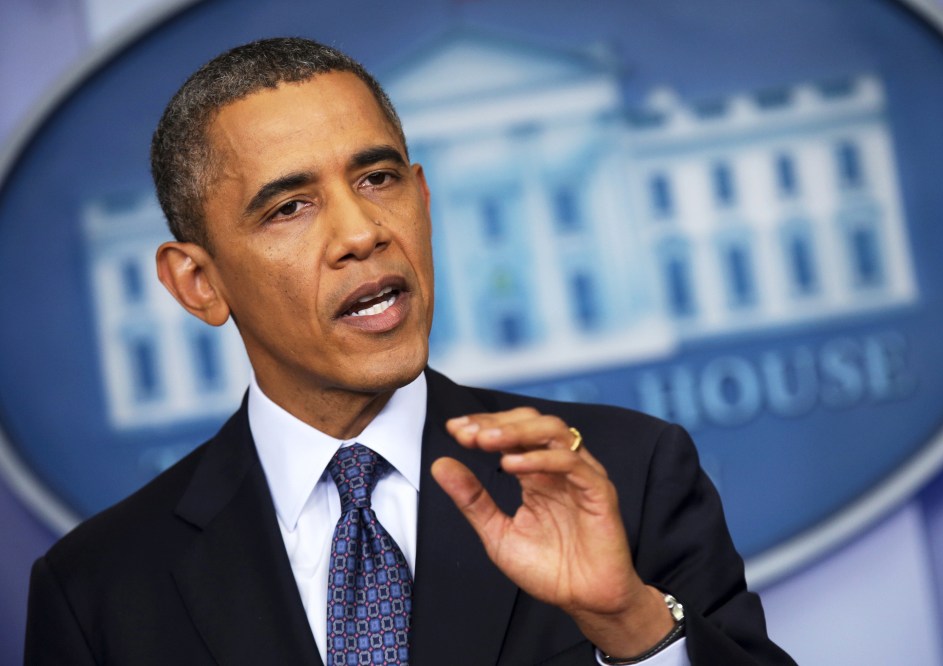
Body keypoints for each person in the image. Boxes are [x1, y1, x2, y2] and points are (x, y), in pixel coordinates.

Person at [24, 37, 794, 665]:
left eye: (377, 178)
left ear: (422, 199)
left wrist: (629, 626)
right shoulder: (97, 587)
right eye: (290, 207)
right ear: (198, 283)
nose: (362, 232)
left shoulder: (631, 474)